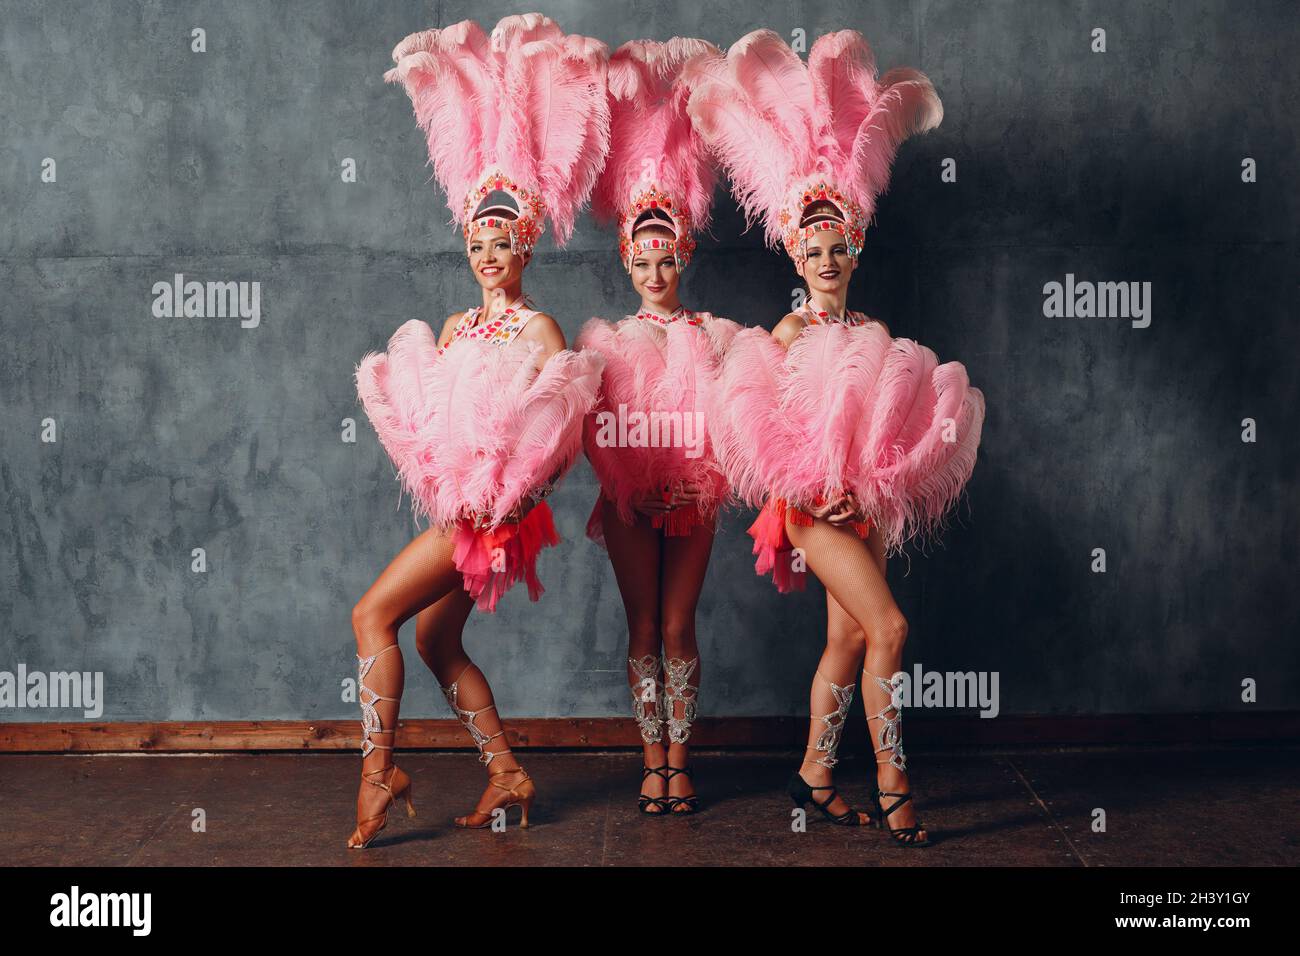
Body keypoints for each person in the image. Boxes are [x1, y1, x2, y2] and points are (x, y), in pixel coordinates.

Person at [690, 28, 985, 847]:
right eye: (811, 248)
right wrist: (805, 486)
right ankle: (894, 780)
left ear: (854, 248)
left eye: (836, 247)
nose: (824, 257)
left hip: (867, 507)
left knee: (849, 638)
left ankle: (816, 774)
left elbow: (891, 422)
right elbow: (752, 416)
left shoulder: (873, 329)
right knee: (890, 629)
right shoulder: (785, 331)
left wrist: (882, 483)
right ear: (797, 250)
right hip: (812, 509)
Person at [346, 14, 610, 848]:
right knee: (433, 640)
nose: (488, 251)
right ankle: (506, 768)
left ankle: (378, 769)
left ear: (525, 244)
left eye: (502, 239)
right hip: (458, 507)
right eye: (477, 239)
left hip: (496, 514)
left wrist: (509, 501)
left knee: (369, 619)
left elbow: (560, 434)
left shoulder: (542, 333)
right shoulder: (458, 325)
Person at [576, 38, 739, 815]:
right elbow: (596, 430)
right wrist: (626, 486)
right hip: (631, 500)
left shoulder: (711, 332)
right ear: (625, 259)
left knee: (680, 624)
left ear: (686, 253)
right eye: (642, 260)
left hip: (694, 495)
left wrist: (693, 479)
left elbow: (736, 416)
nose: (654, 270)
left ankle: (682, 757)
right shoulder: (606, 338)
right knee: (642, 622)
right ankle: (652, 758)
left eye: (666, 258)